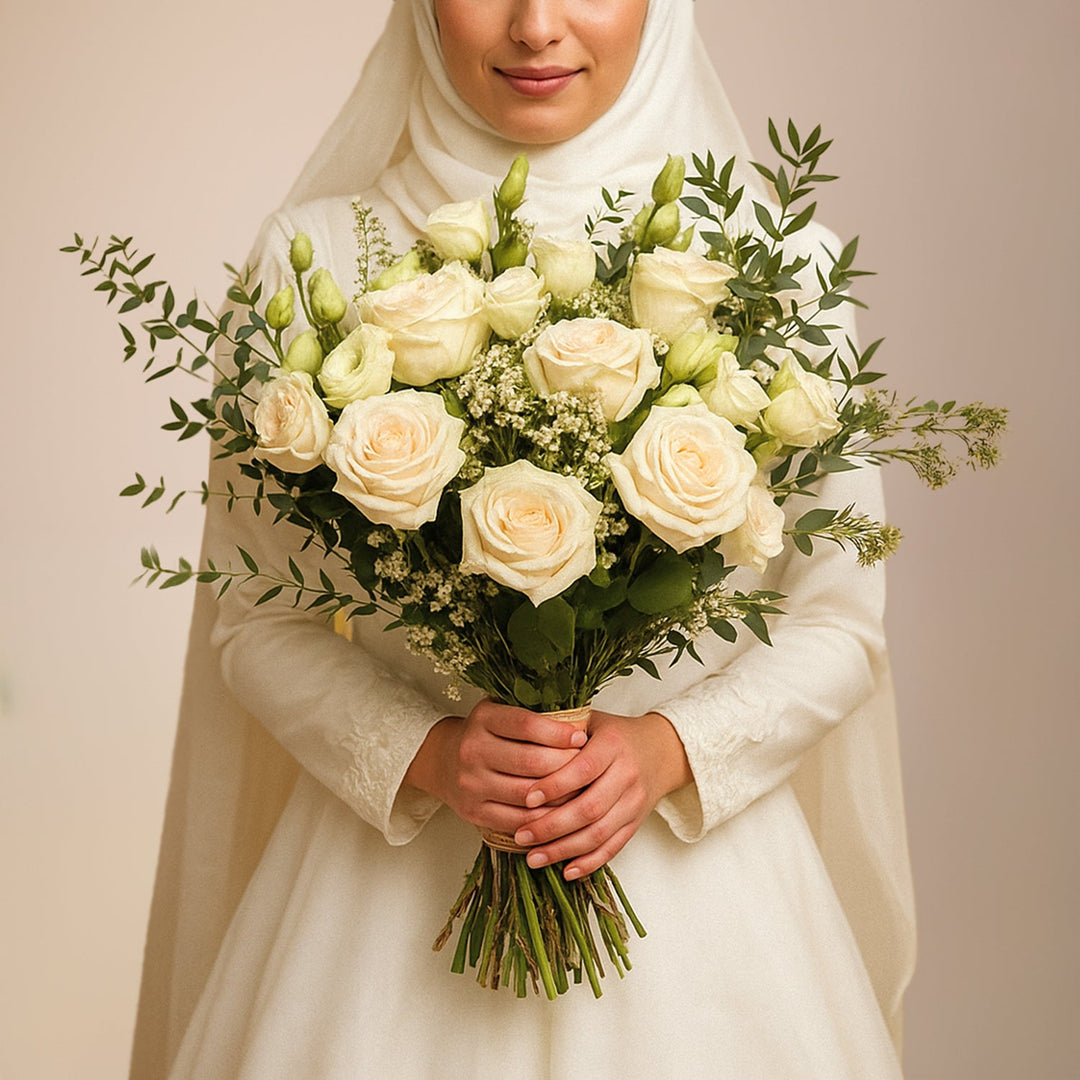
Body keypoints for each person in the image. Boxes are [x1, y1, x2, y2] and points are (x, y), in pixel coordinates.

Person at [131, 1, 916, 1076]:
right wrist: (436, 756)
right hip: (380, 911)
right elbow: (257, 618)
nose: (535, 25)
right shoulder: (314, 256)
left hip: (704, 906)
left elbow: (840, 622)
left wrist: (663, 751)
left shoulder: (778, 270)